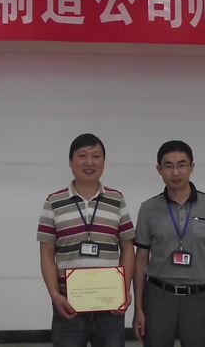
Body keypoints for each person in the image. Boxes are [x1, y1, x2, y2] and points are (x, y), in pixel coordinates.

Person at [37, 133, 136, 347]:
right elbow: (46, 254)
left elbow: (128, 249)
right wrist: (54, 295)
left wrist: (124, 289)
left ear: (104, 162)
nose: (89, 162)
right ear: (70, 161)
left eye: (96, 156)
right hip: (68, 304)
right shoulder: (53, 202)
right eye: (82, 156)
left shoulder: (117, 199)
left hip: (110, 304)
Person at [132, 140, 205, 347]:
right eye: (168, 166)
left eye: (182, 165)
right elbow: (141, 259)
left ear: (192, 167)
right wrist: (138, 308)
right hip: (158, 297)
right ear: (159, 169)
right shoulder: (148, 208)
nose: (175, 172)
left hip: (198, 298)